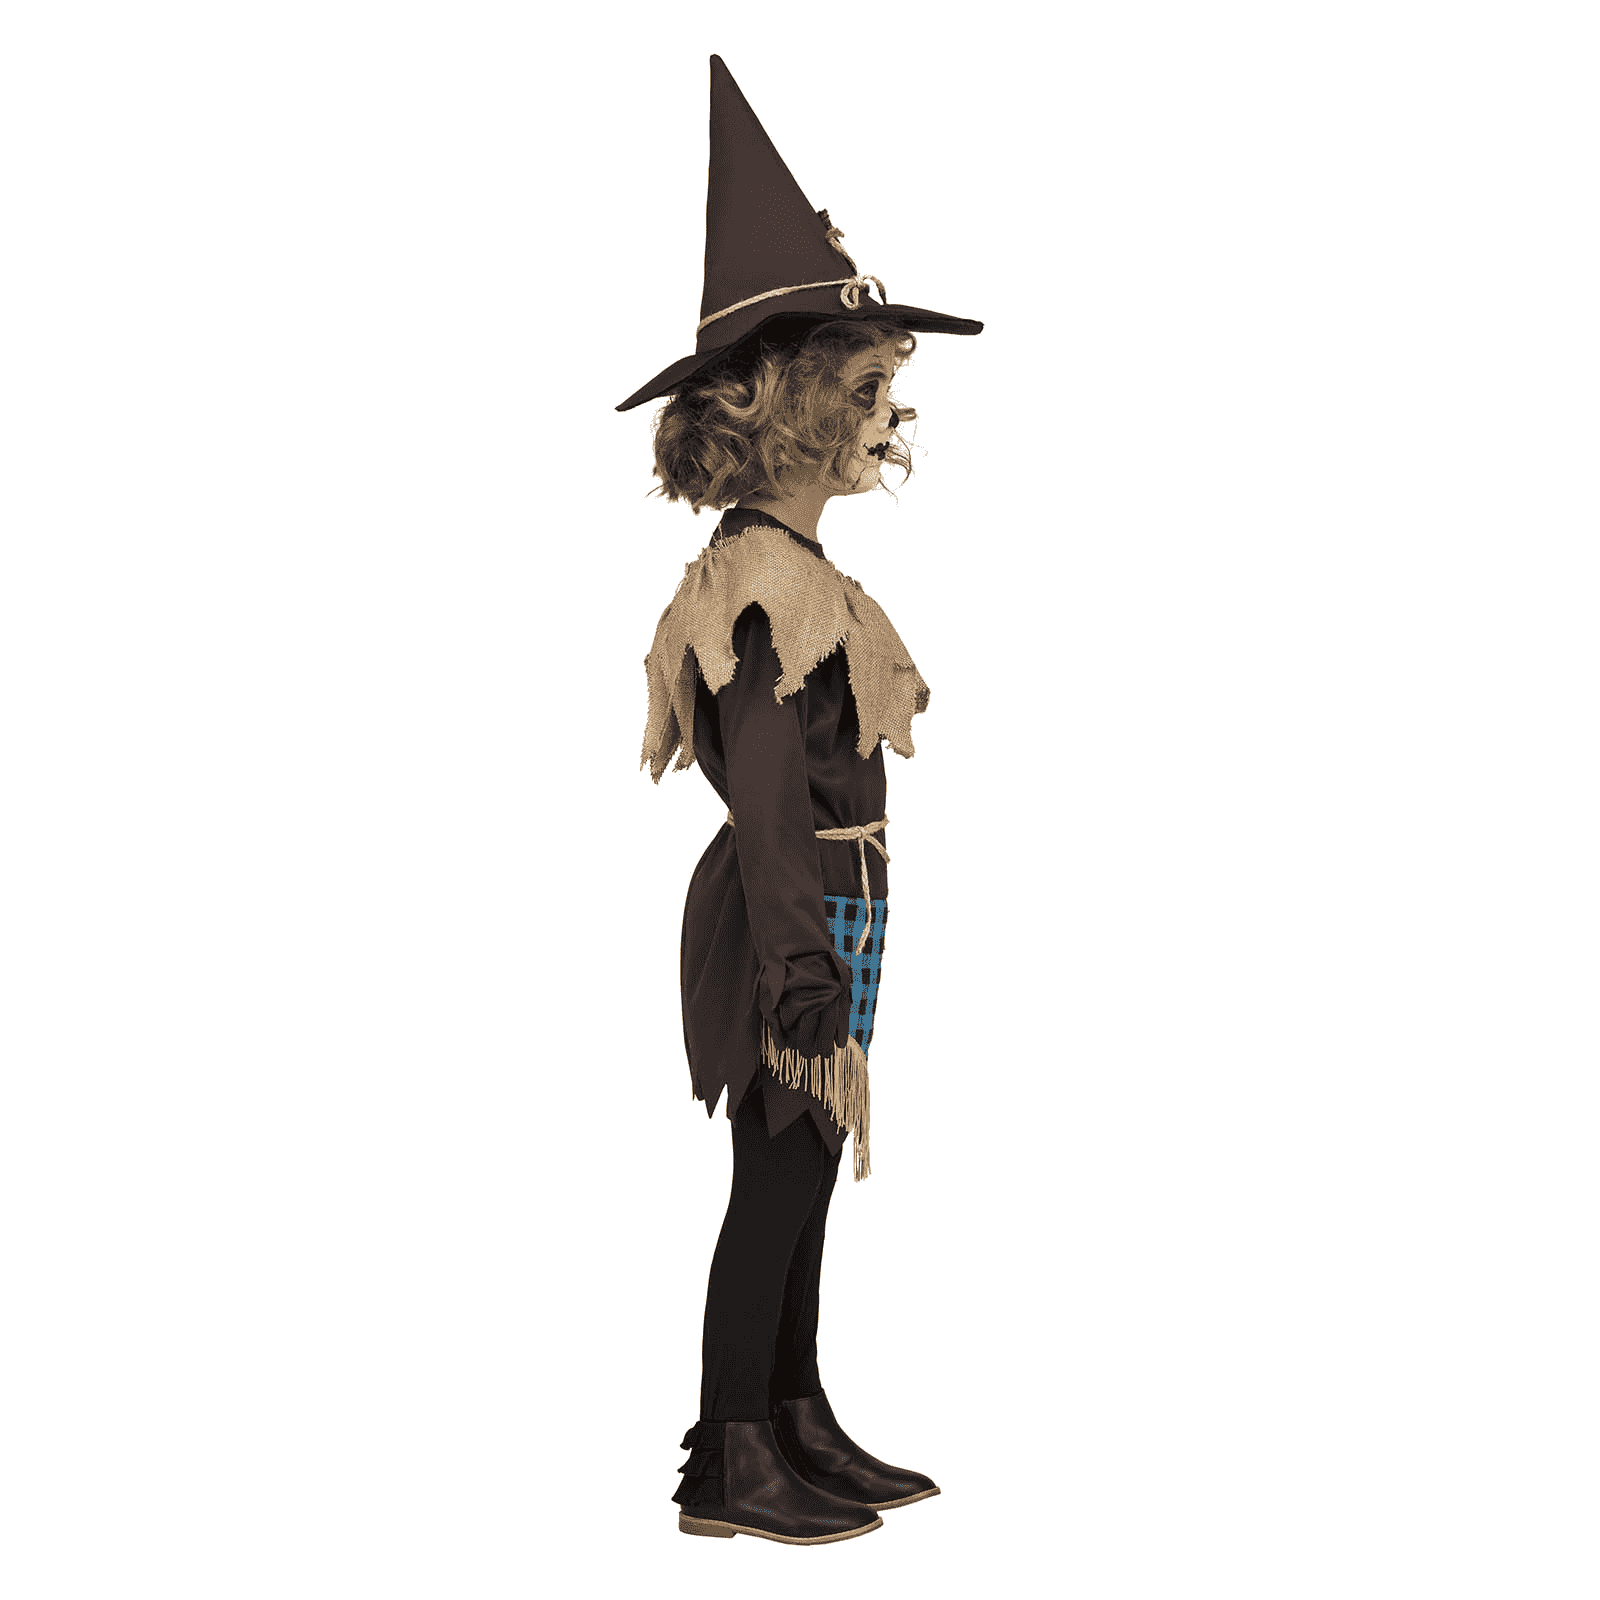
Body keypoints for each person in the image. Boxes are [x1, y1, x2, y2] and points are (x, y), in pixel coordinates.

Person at [619, 56, 983, 1546]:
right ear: (783, 414)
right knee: (771, 1186)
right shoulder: (763, 593)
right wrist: (802, 969)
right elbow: (770, 800)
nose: (885, 417)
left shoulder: (801, 577)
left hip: (830, 906)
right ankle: (728, 1455)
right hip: (791, 922)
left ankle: (794, 1410)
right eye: (862, 392)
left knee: (806, 1170)